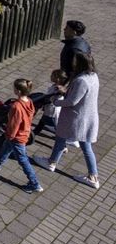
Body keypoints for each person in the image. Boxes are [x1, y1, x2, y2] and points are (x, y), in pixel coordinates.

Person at [34, 53, 100, 189]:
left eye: (75, 61)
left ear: (80, 64)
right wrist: (65, 91)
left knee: (63, 138)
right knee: (81, 144)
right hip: (88, 115)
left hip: (76, 117)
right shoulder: (93, 76)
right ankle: (93, 175)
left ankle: (52, 163)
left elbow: (72, 101)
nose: (73, 64)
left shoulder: (81, 80)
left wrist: (55, 101)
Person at [0, 79, 43, 193]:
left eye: (14, 88)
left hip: (17, 137)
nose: (13, 89)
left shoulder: (16, 106)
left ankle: (34, 184)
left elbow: (13, 124)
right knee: (6, 147)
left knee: (23, 160)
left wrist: (9, 135)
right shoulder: (29, 101)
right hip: (24, 132)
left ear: (18, 91)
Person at [34, 69, 68, 135]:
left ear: (57, 79)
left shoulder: (58, 89)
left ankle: (61, 137)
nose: (50, 76)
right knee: (42, 121)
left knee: (54, 124)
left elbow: (53, 97)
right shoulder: (55, 86)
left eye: (52, 75)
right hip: (49, 109)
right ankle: (36, 131)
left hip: (52, 110)